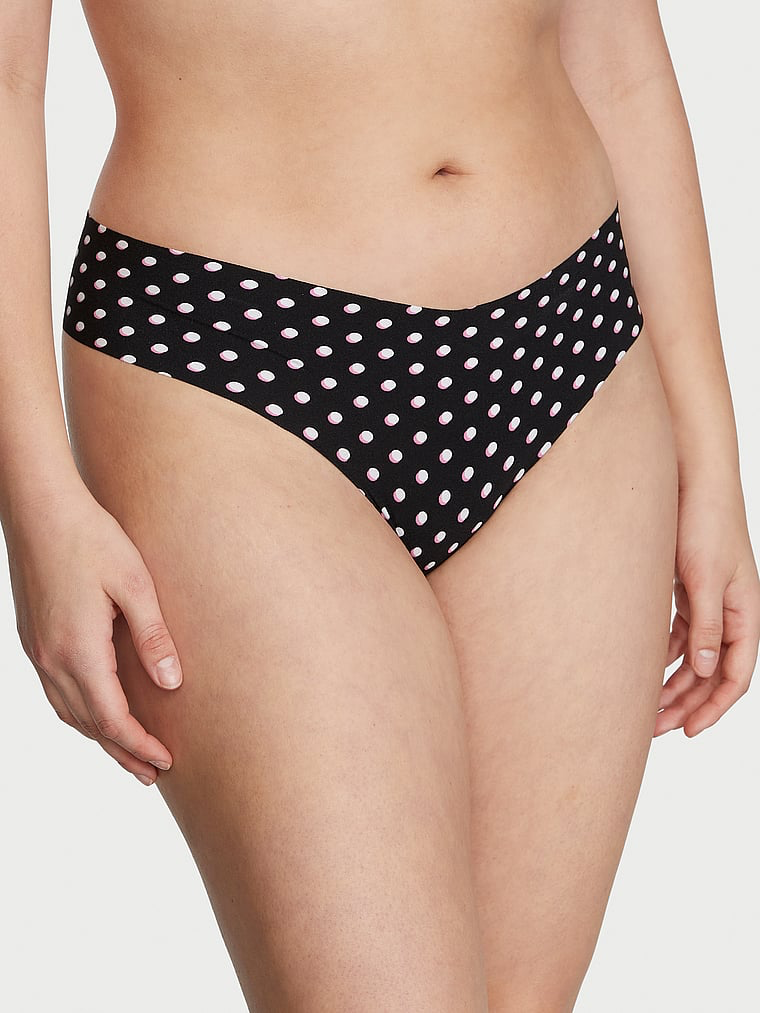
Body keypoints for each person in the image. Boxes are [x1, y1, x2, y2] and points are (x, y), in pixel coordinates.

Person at [1, 2, 758, 1010]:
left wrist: (713, 455)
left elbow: (620, 58)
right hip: (231, 360)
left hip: (569, 349)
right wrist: (36, 499)